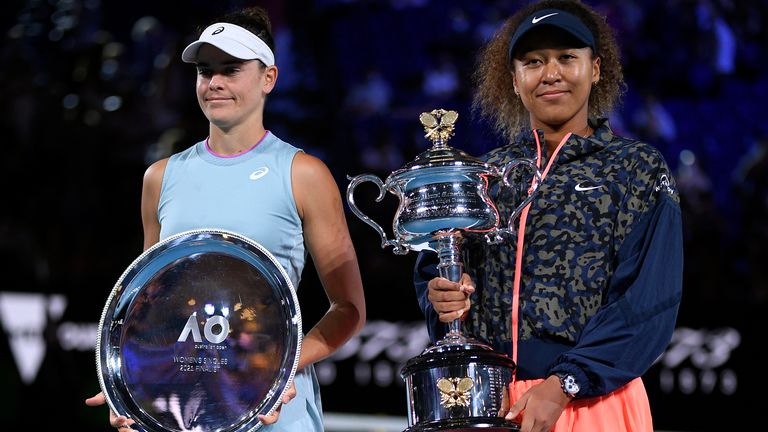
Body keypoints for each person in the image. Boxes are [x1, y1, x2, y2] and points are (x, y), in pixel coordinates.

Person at [85, 6, 366, 431]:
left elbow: (348, 309)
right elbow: (151, 311)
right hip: (189, 411)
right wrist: (132, 384)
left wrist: (277, 367)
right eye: (205, 71)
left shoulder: (303, 174)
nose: (214, 83)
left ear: (268, 78)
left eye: (230, 70)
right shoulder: (160, 177)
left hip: (275, 413)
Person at [414, 1, 683, 431]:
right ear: (515, 80)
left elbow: (647, 303)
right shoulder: (485, 175)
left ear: (595, 69)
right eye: (534, 62)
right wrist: (442, 297)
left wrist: (566, 383)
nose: (551, 73)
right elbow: (436, 268)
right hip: (491, 401)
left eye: (566, 58)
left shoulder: (636, 168)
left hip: (593, 399)